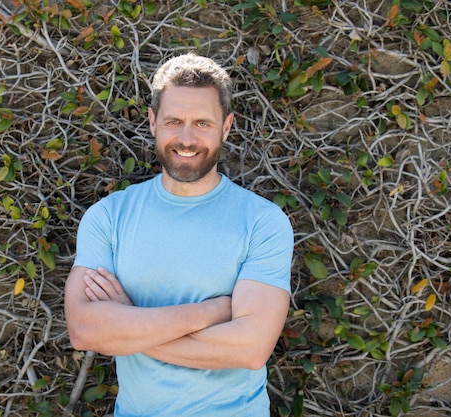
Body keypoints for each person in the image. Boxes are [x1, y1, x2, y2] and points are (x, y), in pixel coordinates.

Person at [64, 53, 293, 416]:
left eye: (202, 123)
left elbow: (248, 350)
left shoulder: (263, 222)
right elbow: (84, 329)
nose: (186, 138)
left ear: (227, 126)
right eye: (174, 121)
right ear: (154, 122)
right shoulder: (108, 217)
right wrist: (207, 313)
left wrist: (129, 324)